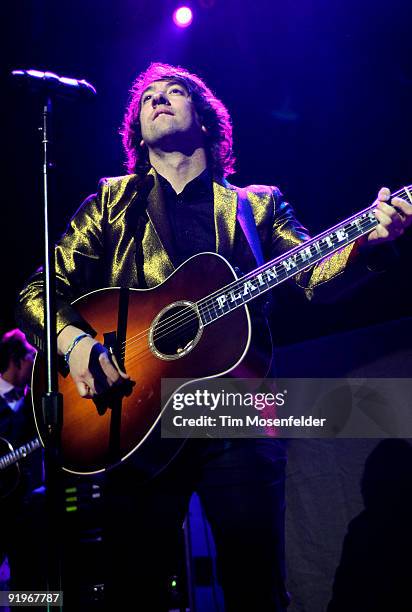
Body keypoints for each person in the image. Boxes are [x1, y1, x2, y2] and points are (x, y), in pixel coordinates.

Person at [16, 63, 412, 610]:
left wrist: (367, 245)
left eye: (173, 92)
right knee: (137, 590)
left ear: (204, 121)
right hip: (132, 414)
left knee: (256, 585)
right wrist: (74, 342)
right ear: (136, 130)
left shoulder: (258, 204)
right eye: (147, 97)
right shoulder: (110, 204)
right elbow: (40, 290)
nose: (157, 99)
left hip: (236, 410)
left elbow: (313, 279)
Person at [0, 329, 45, 593]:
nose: (36, 360)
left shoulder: (37, 401)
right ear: (16, 359)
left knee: (30, 585)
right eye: (31, 355)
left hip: (29, 507)